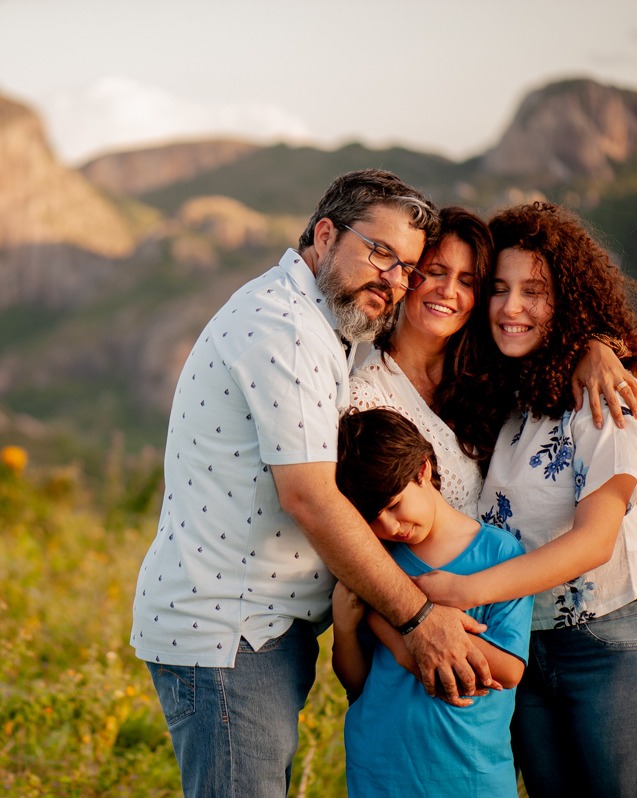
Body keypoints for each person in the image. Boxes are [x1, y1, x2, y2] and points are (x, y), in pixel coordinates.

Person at [130, 170, 497, 798]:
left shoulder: (331, 320)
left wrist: (598, 346)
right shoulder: (286, 328)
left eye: (406, 266)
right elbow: (310, 497)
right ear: (325, 236)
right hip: (231, 637)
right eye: (380, 252)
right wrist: (418, 620)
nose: (393, 278)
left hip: (257, 635)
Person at [415, 202, 637, 798]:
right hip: (528, 654)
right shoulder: (514, 408)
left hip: (612, 644)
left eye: (534, 291)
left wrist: (462, 593)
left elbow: (593, 541)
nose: (511, 308)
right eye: (499, 290)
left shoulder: (606, 395)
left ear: (568, 300)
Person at [349, 207, 637, 517]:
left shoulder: (489, 373)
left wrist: (592, 347)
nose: (448, 291)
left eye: (467, 281)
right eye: (435, 272)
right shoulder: (365, 398)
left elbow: (548, 337)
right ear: (407, 275)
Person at [332, 408, 532, 798]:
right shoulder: (376, 562)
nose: (389, 527)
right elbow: (355, 683)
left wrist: (433, 623)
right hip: (380, 768)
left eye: (393, 505)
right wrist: (344, 627)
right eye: (372, 518)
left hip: (470, 772)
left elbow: (508, 671)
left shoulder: (499, 553)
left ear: (423, 470)